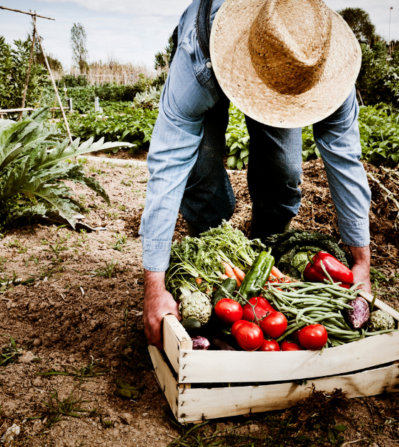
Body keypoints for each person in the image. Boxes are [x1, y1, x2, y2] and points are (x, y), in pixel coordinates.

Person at [140, 0, 372, 348]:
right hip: (214, 55)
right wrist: (153, 288)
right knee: (200, 173)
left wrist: (362, 264)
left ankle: (266, 257)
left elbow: (345, 162)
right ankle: (213, 262)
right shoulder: (196, 60)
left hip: (286, 66)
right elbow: (168, 163)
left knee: (284, 171)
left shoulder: (321, 63)